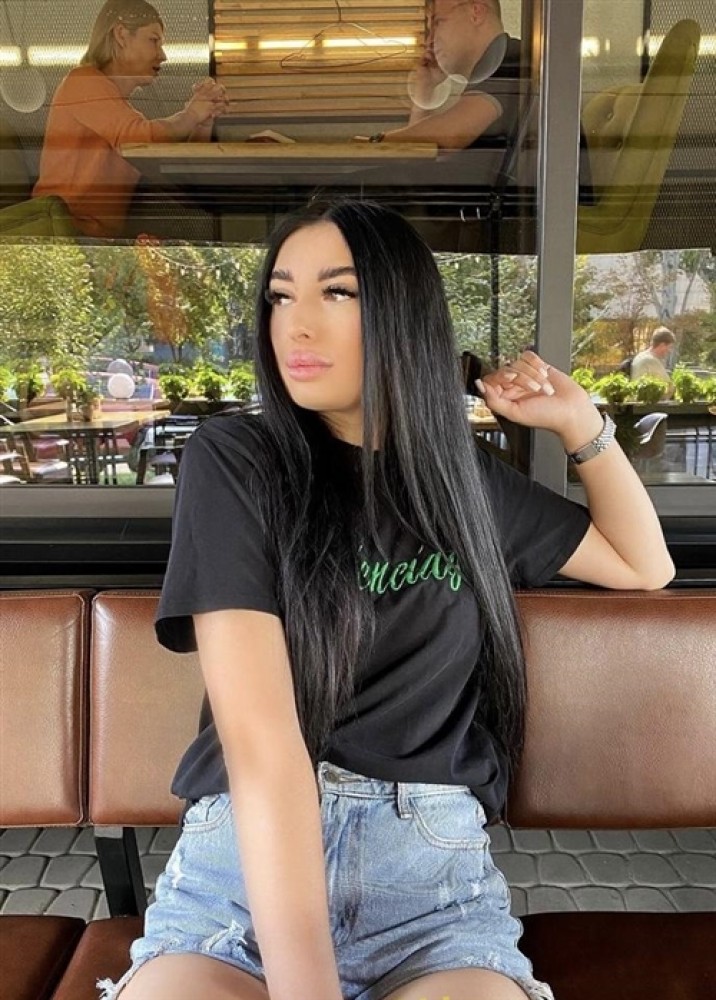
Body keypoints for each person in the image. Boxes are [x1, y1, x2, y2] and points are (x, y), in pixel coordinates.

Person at [101, 199, 674, 1000]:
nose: (296, 325)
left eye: (337, 292)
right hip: (244, 873)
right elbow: (263, 745)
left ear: (404, 314)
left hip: (428, 883)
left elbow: (643, 565)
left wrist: (580, 424)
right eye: (280, 295)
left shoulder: (464, 484)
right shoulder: (238, 461)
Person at [32, 0, 228, 238]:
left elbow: (181, 178)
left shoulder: (122, 117)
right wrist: (191, 115)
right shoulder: (82, 81)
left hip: (91, 240)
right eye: (153, 41)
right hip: (63, 238)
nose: (163, 55)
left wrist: (202, 120)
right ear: (121, 35)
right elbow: (140, 138)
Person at [357, 0, 521, 150]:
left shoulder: (511, 58)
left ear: (476, 13)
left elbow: (453, 134)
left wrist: (377, 142)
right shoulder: (490, 69)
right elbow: (419, 156)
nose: (429, 41)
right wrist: (425, 92)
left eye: (438, 23)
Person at [630, 327, 677, 398]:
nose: (669, 351)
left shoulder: (640, 356)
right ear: (662, 345)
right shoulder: (651, 361)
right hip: (649, 402)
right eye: (669, 347)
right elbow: (669, 388)